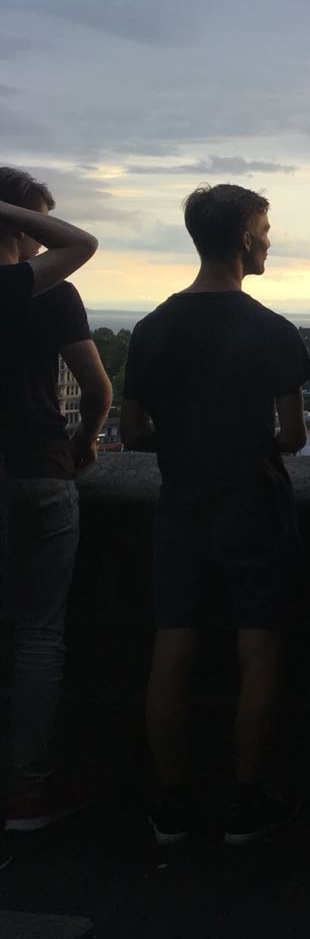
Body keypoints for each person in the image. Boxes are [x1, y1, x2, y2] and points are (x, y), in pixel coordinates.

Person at [120, 184, 310, 847]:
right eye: (266, 230)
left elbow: (132, 431)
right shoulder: (273, 330)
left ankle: (172, 803)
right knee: (257, 650)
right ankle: (247, 801)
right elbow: (294, 436)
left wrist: (186, 441)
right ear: (243, 240)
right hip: (255, 505)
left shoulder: (152, 328)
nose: (269, 242)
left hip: (183, 508)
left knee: (172, 648)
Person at [0, 169, 114, 834]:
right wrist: (86, 441)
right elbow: (96, 391)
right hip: (39, 471)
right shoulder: (44, 292)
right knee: (38, 636)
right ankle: (26, 791)